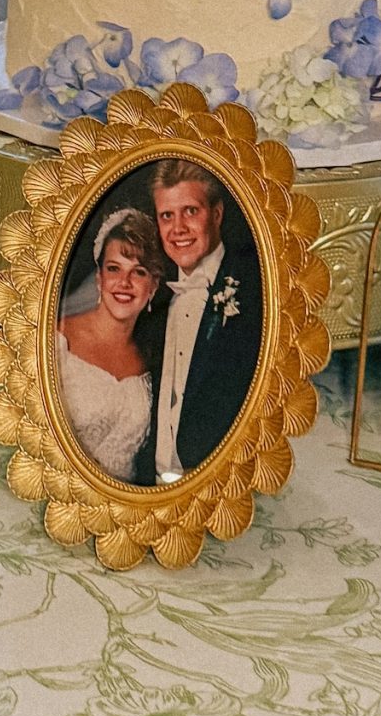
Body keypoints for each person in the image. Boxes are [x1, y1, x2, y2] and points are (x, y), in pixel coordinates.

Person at [131, 159, 263, 482]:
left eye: (190, 211)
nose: (177, 229)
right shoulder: (153, 296)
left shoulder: (255, 291)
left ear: (216, 214)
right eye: (167, 216)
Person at [56, 208, 164, 480]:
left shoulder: (153, 361)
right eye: (113, 268)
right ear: (99, 278)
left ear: (152, 287)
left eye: (138, 272)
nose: (124, 283)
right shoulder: (59, 341)